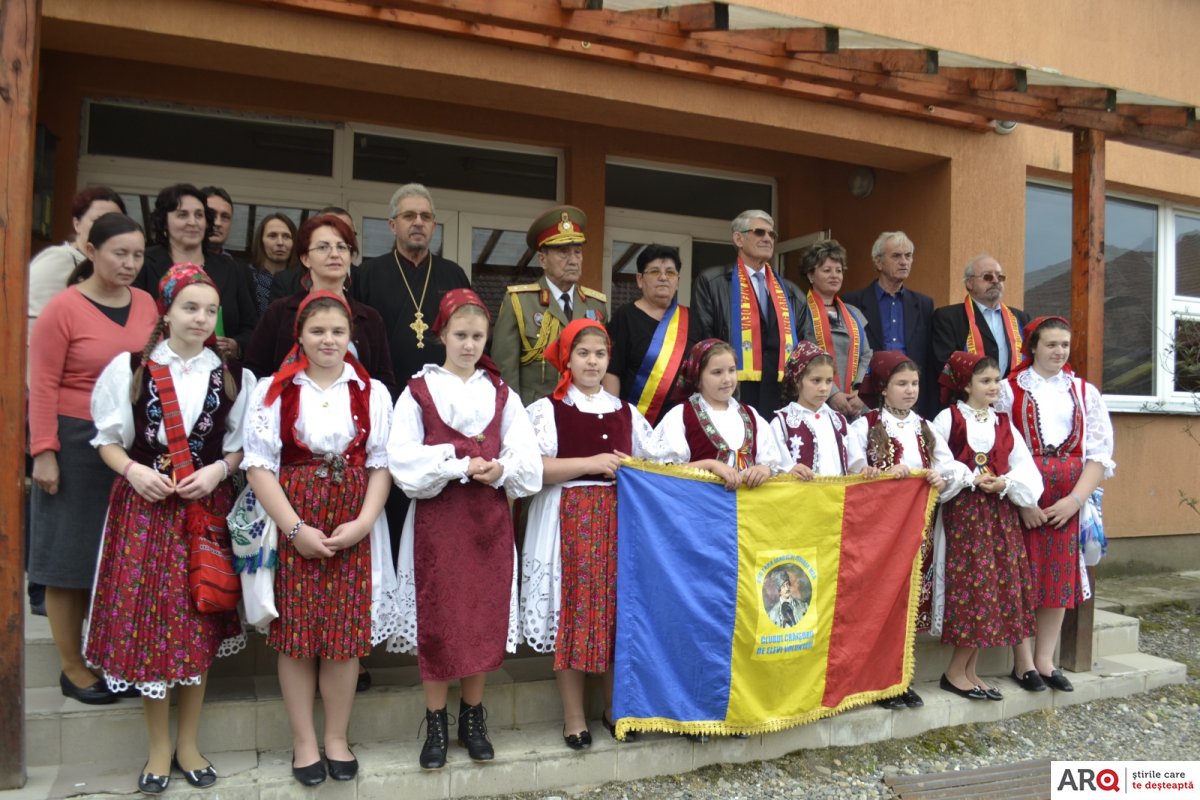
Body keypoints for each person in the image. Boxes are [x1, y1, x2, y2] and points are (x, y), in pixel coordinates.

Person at [84, 263, 251, 794]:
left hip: (204, 515)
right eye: (190, 307)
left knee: (198, 626)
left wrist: (220, 470)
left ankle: (188, 744)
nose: (201, 318)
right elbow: (108, 439)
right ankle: (158, 749)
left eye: (209, 310)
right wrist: (133, 471)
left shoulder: (230, 374)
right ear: (167, 311)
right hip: (146, 516)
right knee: (154, 631)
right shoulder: (129, 368)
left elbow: (240, 444)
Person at [243, 291, 401, 787]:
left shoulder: (372, 391)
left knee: (343, 636)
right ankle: (303, 741)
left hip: (351, 521)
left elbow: (380, 464)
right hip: (296, 519)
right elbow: (258, 466)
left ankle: (336, 736)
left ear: (351, 335)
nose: (328, 340)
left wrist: (364, 523)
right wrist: (294, 529)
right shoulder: (274, 389)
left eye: (337, 331)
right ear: (301, 336)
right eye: (318, 331)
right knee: (295, 636)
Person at [387, 289, 542, 769]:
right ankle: (435, 720)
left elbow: (526, 456)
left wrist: (501, 470)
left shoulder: (502, 393)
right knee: (439, 618)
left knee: (480, 617)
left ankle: (472, 716)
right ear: (441, 335)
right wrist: (455, 463)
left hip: (487, 524)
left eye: (477, 336)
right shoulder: (418, 390)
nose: (469, 344)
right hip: (438, 521)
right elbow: (402, 460)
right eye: (461, 335)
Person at [28, 213, 159, 707]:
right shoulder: (63, 308)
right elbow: (40, 383)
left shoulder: (146, 303)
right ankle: (71, 666)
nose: (129, 264)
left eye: (137, 255)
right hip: (75, 437)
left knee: (115, 555)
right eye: (118, 253)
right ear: (91, 252)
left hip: (129, 443)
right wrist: (43, 451)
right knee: (69, 556)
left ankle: (109, 655)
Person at [521, 319, 656, 750]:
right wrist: (592, 462)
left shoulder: (626, 412)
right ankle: (574, 716)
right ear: (567, 359)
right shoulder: (546, 410)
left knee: (618, 613)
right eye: (583, 353)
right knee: (573, 612)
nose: (592, 361)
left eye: (600, 354)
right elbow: (531, 470)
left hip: (619, 522)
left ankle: (616, 708)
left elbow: (655, 464)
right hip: (569, 518)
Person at [996, 316, 1115, 694]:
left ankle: (1046, 660)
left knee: (1058, 577)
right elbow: (997, 450)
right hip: (1022, 495)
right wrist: (1023, 500)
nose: (1059, 352)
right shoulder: (1007, 389)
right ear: (1033, 347)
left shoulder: (1083, 392)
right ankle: (1023, 661)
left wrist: (1075, 501)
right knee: (1023, 575)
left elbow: (1099, 455)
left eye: (1064, 345)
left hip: (1068, 497)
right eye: (1051, 344)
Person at [847, 350, 958, 711]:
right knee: (879, 603)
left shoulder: (925, 428)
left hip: (917, 533)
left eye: (914, 384)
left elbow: (951, 468)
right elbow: (854, 468)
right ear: (883, 388)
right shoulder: (865, 426)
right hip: (878, 534)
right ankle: (874, 679)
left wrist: (941, 477)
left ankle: (899, 678)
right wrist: (879, 474)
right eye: (901, 384)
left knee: (908, 602)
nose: (910, 391)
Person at [930, 352, 1042, 702]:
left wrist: (1005, 483)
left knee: (993, 589)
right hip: (964, 518)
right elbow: (938, 462)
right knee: (973, 591)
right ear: (966, 385)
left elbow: (1026, 470)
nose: (995, 387)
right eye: (986, 381)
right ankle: (953, 672)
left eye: (996, 380)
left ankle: (968, 671)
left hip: (998, 517)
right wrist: (969, 477)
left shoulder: (1004, 424)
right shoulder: (948, 419)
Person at [243, 214, 396, 397]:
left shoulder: (369, 318)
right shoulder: (280, 312)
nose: (334, 254)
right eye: (323, 247)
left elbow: (384, 383)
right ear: (305, 258)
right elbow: (254, 373)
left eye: (341, 247)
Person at [354, 184, 471, 396]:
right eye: (409, 216)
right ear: (392, 225)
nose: (418, 222)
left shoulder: (454, 275)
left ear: (434, 226)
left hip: (445, 394)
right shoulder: (367, 274)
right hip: (386, 392)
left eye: (425, 217)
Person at [691, 210, 805, 420]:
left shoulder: (791, 291)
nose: (767, 238)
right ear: (738, 238)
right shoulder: (711, 281)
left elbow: (805, 345)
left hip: (779, 394)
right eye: (759, 232)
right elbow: (703, 340)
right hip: (733, 390)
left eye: (772, 235)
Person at [493, 205, 609, 407]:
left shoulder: (596, 304)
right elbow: (505, 373)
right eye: (563, 252)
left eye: (578, 252)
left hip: (584, 412)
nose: (573, 260)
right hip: (536, 416)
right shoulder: (519, 302)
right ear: (543, 259)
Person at [134, 184, 259, 360]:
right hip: (157, 370)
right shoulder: (143, 263)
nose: (192, 222)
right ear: (164, 222)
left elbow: (252, 328)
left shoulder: (232, 269)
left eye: (199, 215)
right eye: (182, 215)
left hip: (217, 372)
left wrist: (236, 345)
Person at [653, 339, 784, 492]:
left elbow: (773, 464)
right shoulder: (681, 416)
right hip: (699, 510)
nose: (727, 379)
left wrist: (764, 469)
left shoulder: (751, 415)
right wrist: (709, 465)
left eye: (732, 370)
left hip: (747, 512)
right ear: (697, 377)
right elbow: (662, 472)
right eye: (717, 372)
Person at [841, 231, 937, 419]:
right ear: (878, 262)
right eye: (896, 256)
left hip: (910, 396)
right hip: (867, 396)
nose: (904, 261)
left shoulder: (924, 304)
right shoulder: (851, 302)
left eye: (908, 256)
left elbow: (926, 355)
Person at [602, 244, 698, 426]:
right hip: (633, 422)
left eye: (670, 273)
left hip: (679, 426)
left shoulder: (691, 320)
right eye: (654, 272)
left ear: (678, 280)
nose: (663, 278)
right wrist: (612, 418)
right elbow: (612, 372)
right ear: (640, 279)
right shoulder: (625, 317)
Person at [27, 186, 126, 339]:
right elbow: (33, 322)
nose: (107, 227)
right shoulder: (58, 259)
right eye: (97, 220)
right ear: (77, 224)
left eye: (114, 221)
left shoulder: (118, 266)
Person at [797, 240, 873, 421]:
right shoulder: (799, 312)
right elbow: (800, 358)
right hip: (817, 403)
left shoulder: (854, 313)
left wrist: (860, 392)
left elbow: (867, 354)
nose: (835, 276)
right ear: (810, 275)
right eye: (827, 270)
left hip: (854, 404)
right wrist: (832, 393)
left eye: (839, 270)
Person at [931, 254, 1030, 385]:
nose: (995, 281)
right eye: (987, 276)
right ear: (969, 283)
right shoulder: (948, 317)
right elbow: (944, 363)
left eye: (1000, 277)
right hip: (968, 398)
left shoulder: (1021, 318)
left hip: (1010, 397)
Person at [769, 341, 852, 480]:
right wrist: (788, 469)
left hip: (835, 499)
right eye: (816, 380)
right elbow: (773, 464)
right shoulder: (782, 423)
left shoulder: (839, 421)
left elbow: (855, 464)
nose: (824, 388)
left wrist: (865, 469)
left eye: (829, 381)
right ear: (797, 380)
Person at [247, 212, 297, 316]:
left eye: (286, 236)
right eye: (272, 236)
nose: (280, 242)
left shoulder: (301, 280)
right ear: (261, 241)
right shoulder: (246, 277)